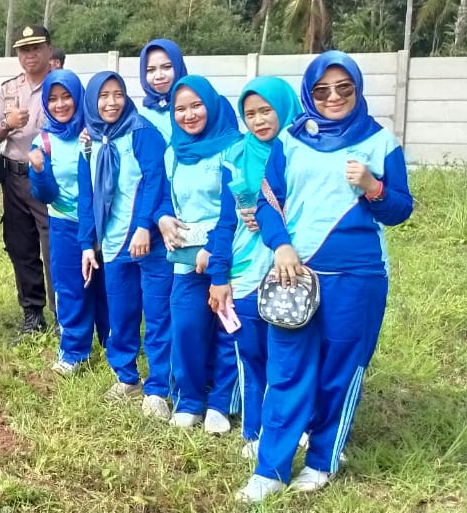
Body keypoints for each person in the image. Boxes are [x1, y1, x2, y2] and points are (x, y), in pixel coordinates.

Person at [236, 51, 413, 503]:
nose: (333, 97)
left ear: (357, 90)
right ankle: (270, 468)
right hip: (296, 273)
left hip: (357, 278)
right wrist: (281, 246)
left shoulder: (381, 141)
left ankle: (322, 459)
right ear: (309, 93)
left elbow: (399, 210)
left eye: (343, 88)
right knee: (287, 368)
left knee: (339, 370)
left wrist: (374, 187)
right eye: (322, 90)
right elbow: (267, 203)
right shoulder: (289, 142)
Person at [205, 76, 303, 459]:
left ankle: (296, 427)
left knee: (290, 358)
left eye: (266, 111)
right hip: (245, 271)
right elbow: (225, 222)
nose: (259, 120)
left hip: (290, 271)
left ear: (283, 107)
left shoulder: (301, 152)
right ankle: (255, 428)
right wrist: (219, 275)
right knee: (251, 352)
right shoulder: (236, 156)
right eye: (250, 114)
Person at [77, 71, 173, 420]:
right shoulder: (89, 142)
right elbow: (86, 195)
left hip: (150, 244)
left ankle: (160, 387)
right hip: (114, 245)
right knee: (122, 313)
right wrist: (88, 244)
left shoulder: (143, 132)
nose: (111, 102)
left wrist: (144, 227)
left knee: (159, 314)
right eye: (103, 96)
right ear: (92, 101)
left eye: (118, 93)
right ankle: (127, 376)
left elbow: (155, 181)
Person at [155, 75, 243, 434]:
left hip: (227, 253)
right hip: (185, 257)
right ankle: (190, 400)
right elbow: (162, 195)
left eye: (196, 106)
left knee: (227, 329)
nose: (188, 115)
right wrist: (161, 219)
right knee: (187, 327)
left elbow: (233, 208)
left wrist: (215, 251)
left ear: (212, 104)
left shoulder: (233, 148)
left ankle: (221, 402)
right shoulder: (172, 152)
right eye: (180, 108)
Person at [29, 69, 109, 375]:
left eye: (67, 97)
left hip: (103, 225)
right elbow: (46, 195)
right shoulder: (44, 140)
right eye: (53, 99)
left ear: (78, 98)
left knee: (105, 287)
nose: (61, 105)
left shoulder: (97, 131)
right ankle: (74, 351)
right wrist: (38, 170)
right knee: (70, 286)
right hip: (64, 225)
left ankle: (112, 344)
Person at [0, 24, 56, 340]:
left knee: (54, 245)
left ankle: (64, 317)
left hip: (50, 177)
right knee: (21, 245)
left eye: (36, 48)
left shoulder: (60, 87)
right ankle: (33, 313)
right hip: (14, 177)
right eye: (23, 50)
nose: (29, 55)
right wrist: (7, 124)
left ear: (48, 50)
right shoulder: (8, 89)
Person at [138, 39, 188, 146]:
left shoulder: (201, 107)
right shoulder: (139, 118)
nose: (159, 76)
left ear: (178, 66)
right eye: (150, 70)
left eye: (167, 67)